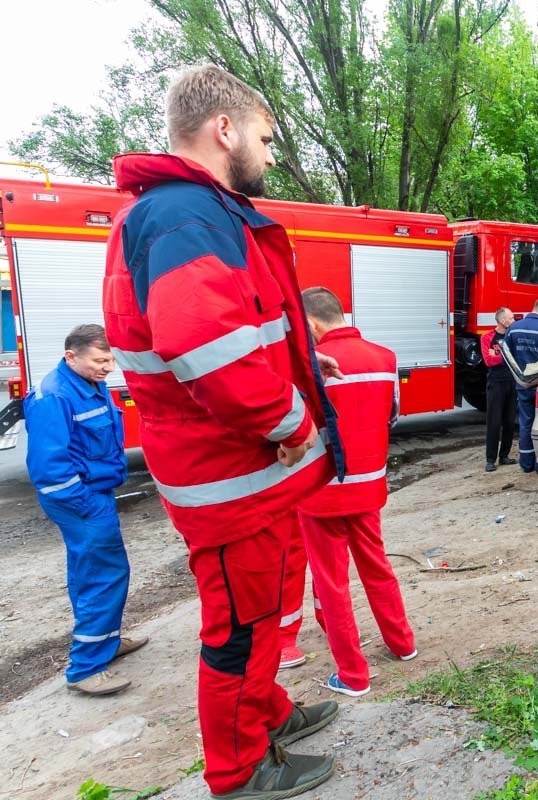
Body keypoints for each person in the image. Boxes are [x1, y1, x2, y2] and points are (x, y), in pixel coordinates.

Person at [103, 65, 346, 799]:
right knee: (240, 627)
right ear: (226, 129)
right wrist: (290, 417)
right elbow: (204, 345)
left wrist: (300, 368)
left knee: (261, 609)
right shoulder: (187, 215)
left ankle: (270, 712)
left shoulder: (177, 212)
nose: (271, 155)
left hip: (226, 473)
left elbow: (229, 332)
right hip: (227, 475)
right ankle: (239, 770)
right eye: (267, 138)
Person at [296, 287, 417, 697]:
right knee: (376, 566)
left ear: (312, 324)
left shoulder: (308, 365)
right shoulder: (384, 357)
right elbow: (392, 416)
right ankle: (402, 643)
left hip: (320, 492)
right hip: (369, 486)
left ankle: (352, 675)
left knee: (331, 583)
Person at [24, 325, 147, 696]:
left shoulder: (89, 384)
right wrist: (84, 503)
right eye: (100, 360)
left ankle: (105, 643)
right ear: (71, 356)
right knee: (103, 574)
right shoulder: (54, 396)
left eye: (110, 359)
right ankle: (86, 667)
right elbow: (49, 469)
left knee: (91, 570)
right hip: (82, 500)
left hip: (95, 495)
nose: (108, 367)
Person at [505, 297, 538, 473]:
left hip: (523, 383)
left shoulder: (513, 328)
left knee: (526, 422)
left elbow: (508, 354)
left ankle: (526, 463)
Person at [481, 307, 518, 472]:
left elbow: (516, 357)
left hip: (512, 382)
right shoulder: (487, 337)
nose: (514, 320)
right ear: (503, 321)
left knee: (510, 421)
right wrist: (505, 356)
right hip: (496, 384)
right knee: (494, 422)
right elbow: (488, 360)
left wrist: (499, 356)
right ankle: (490, 459)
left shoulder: (513, 336)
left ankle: (504, 456)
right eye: (511, 318)